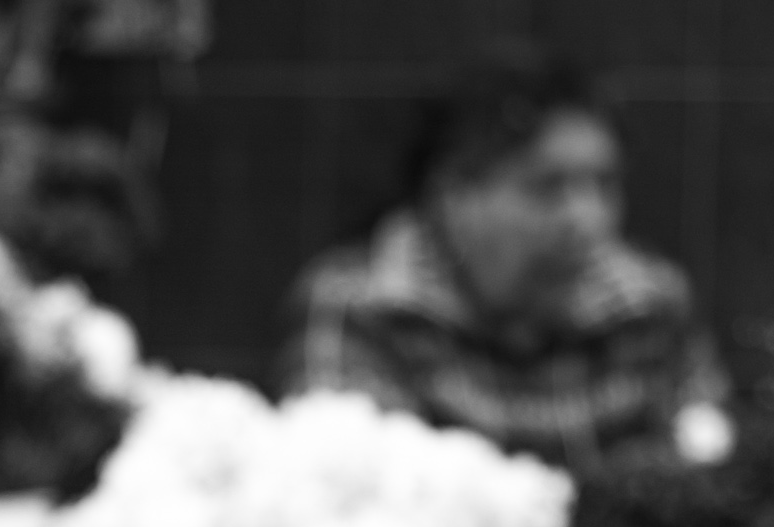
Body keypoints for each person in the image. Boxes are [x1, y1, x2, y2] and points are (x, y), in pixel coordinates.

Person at [283, 42, 732, 466]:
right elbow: (357, 493)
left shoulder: (651, 307)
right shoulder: (364, 310)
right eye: (546, 187)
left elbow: (710, 471)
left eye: (605, 184)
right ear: (453, 195)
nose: (588, 219)